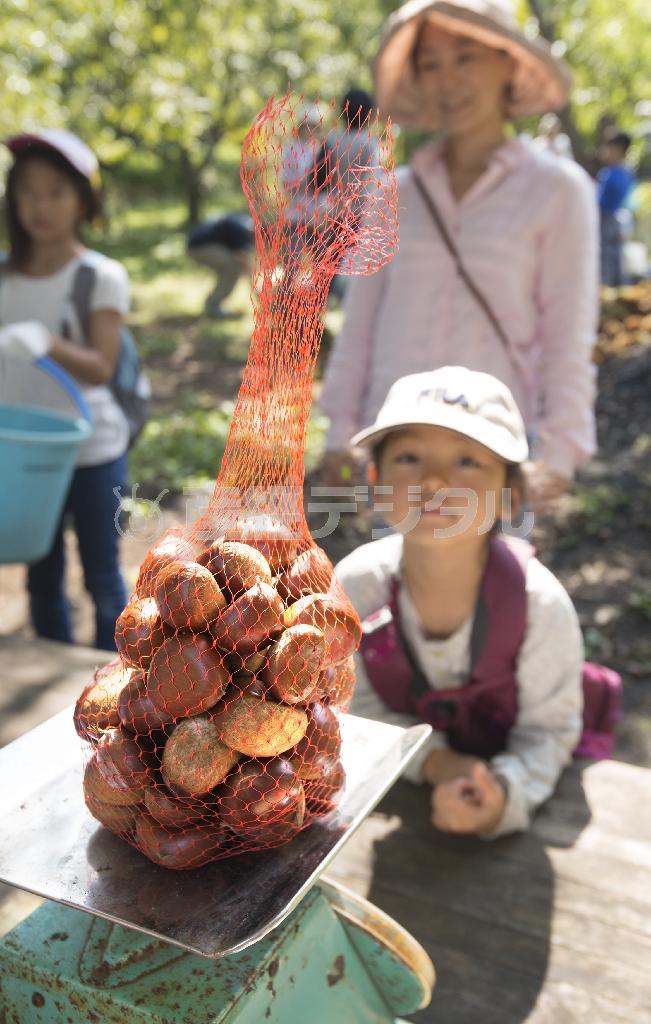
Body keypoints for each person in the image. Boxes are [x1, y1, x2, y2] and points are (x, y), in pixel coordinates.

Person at [319, 0, 599, 511]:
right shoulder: (391, 193)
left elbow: (567, 335)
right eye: (430, 64)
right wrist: (340, 429)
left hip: (496, 450)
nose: (447, 80)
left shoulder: (558, 191)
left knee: (501, 587)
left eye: (466, 57)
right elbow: (360, 322)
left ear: (508, 63)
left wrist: (557, 457)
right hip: (398, 445)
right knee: (391, 585)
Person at [335, 365, 584, 838]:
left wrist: (503, 799)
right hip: (394, 802)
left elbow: (548, 734)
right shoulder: (356, 586)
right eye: (409, 456)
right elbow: (355, 705)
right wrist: (436, 764)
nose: (434, 482)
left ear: (512, 494)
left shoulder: (539, 606)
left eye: (467, 462)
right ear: (374, 478)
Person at [0, 129, 130, 650]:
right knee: (40, 574)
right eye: (28, 191)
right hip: (25, 453)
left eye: (56, 191)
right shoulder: (5, 276)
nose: (40, 206)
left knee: (103, 575)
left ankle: (116, 688)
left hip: (92, 449)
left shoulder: (99, 276)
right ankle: (55, 678)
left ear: (83, 199)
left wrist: (47, 343)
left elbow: (100, 366)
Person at [187, 213, 254, 316]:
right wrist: (255, 288)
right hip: (199, 248)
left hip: (198, 244)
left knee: (231, 267)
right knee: (233, 267)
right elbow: (243, 260)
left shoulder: (243, 220)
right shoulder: (243, 231)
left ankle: (213, 303)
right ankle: (213, 306)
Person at [597, 130, 636, 287]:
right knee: (616, 258)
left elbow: (602, 202)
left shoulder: (613, 174)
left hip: (607, 220)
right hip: (619, 220)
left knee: (607, 259)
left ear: (618, 149)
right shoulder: (627, 172)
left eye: (608, 147)